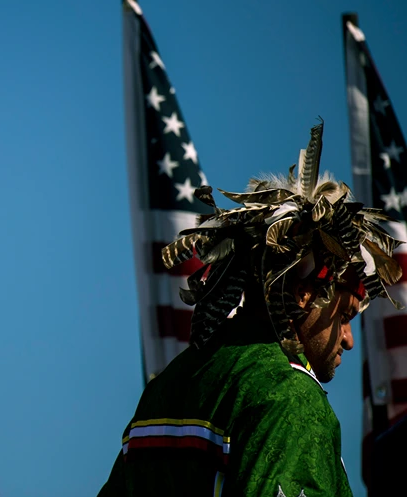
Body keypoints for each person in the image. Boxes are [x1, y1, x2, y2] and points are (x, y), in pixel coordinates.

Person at [97, 122, 404, 497]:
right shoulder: (288, 396)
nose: (348, 339)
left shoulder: (166, 387)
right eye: (345, 316)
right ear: (305, 294)